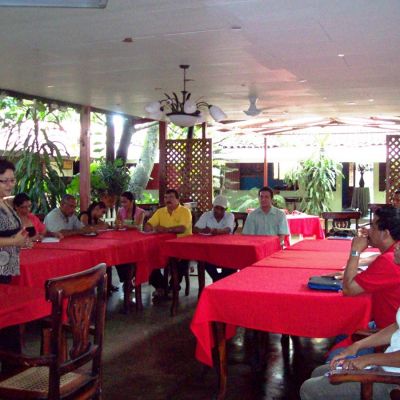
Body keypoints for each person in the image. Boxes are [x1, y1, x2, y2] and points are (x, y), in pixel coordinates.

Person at [300, 244, 400, 400]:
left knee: (310, 389)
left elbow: (349, 288)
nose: (397, 246)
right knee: (319, 372)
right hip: (386, 366)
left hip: (393, 382)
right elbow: (396, 327)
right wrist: (357, 346)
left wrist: (367, 360)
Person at [0, 160, 30, 371]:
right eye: (5, 181)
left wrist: (21, 241)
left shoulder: (4, 202)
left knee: (8, 320)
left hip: (7, 268)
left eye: (12, 180)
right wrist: (14, 242)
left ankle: (12, 368)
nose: (10, 185)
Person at [144, 189, 192, 298]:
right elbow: (148, 225)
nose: (167, 200)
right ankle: (160, 286)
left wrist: (166, 230)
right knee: (147, 257)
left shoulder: (185, 211)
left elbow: (182, 228)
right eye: (166, 197)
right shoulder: (160, 211)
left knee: (182, 260)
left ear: (177, 199)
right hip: (161, 245)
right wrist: (152, 228)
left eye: (171, 197)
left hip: (181, 246)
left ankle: (173, 287)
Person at [193, 194, 235, 282]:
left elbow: (228, 229)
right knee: (203, 258)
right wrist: (204, 230)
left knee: (234, 261)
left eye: (221, 209)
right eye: (217, 208)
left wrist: (215, 231)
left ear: (226, 209)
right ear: (213, 207)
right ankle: (219, 280)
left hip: (226, 249)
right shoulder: (206, 215)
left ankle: (218, 281)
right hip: (209, 249)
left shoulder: (230, 215)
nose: (219, 211)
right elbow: (195, 229)